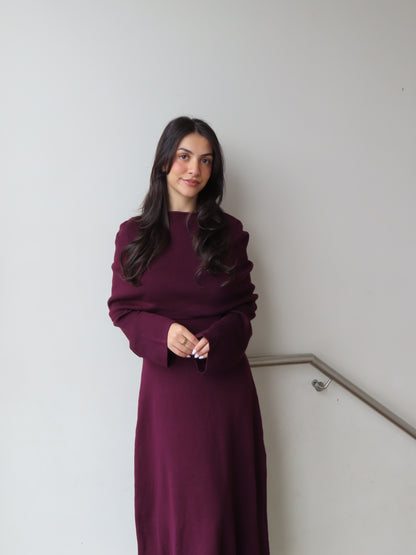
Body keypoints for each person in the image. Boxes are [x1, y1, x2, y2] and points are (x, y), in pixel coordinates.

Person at [108, 116, 269, 554]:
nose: (194, 169)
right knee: (177, 507)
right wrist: (163, 332)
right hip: (168, 394)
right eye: (184, 156)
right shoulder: (134, 235)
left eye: (206, 160)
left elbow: (245, 309)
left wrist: (219, 337)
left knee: (223, 504)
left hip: (224, 390)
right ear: (164, 162)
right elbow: (122, 309)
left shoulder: (229, 233)